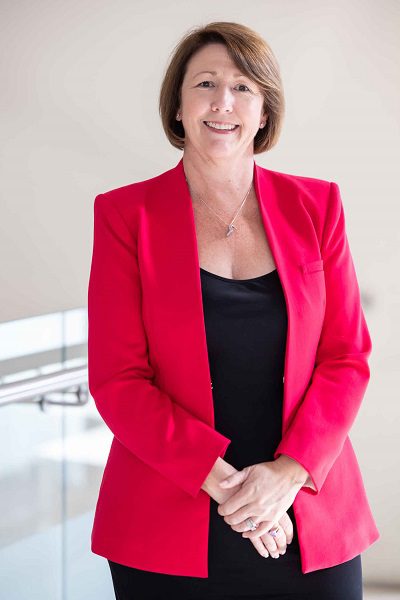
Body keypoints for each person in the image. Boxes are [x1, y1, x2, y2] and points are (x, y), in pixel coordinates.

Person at [87, 21, 380, 600]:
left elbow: (346, 357)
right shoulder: (125, 215)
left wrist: (286, 477)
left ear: (265, 112)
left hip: (306, 507)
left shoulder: (317, 205)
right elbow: (119, 379)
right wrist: (236, 493)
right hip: (168, 517)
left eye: (243, 87)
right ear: (177, 106)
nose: (223, 102)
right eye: (205, 83)